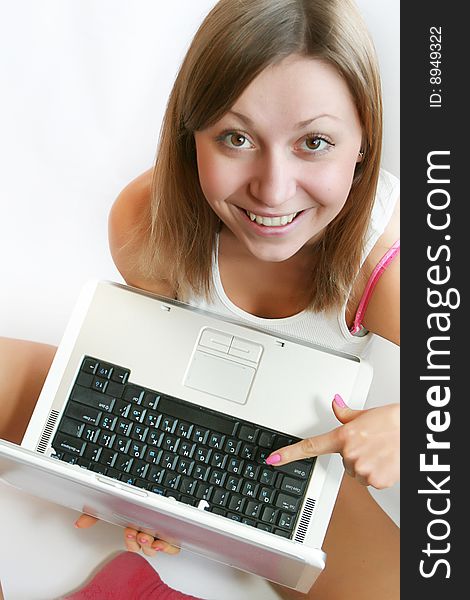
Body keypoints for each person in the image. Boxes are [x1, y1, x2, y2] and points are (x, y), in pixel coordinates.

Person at [0, 0, 399, 598]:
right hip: (179, 415)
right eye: (236, 137)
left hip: (300, 458)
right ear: (192, 135)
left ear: (364, 142)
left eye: (314, 142)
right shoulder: (145, 224)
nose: (272, 190)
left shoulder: (388, 267)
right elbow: (164, 371)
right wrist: (137, 478)